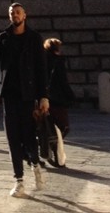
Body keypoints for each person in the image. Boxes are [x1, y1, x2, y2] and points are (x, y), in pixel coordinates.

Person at [0, 2, 50, 198]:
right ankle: (19, 181)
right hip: (9, 96)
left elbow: (41, 69)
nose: (14, 15)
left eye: (17, 12)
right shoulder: (3, 38)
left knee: (29, 138)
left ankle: (35, 166)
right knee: (12, 139)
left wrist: (43, 96)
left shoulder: (34, 38)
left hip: (28, 96)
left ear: (24, 15)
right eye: (11, 13)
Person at [42, 37, 76, 167]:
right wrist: (71, 96)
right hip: (58, 99)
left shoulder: (42, 61)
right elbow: (63, 81)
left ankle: (50, 152)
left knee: (50, 127)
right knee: (63, 127)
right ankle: (54, 153)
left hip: (45, 98)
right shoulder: (58, 62)